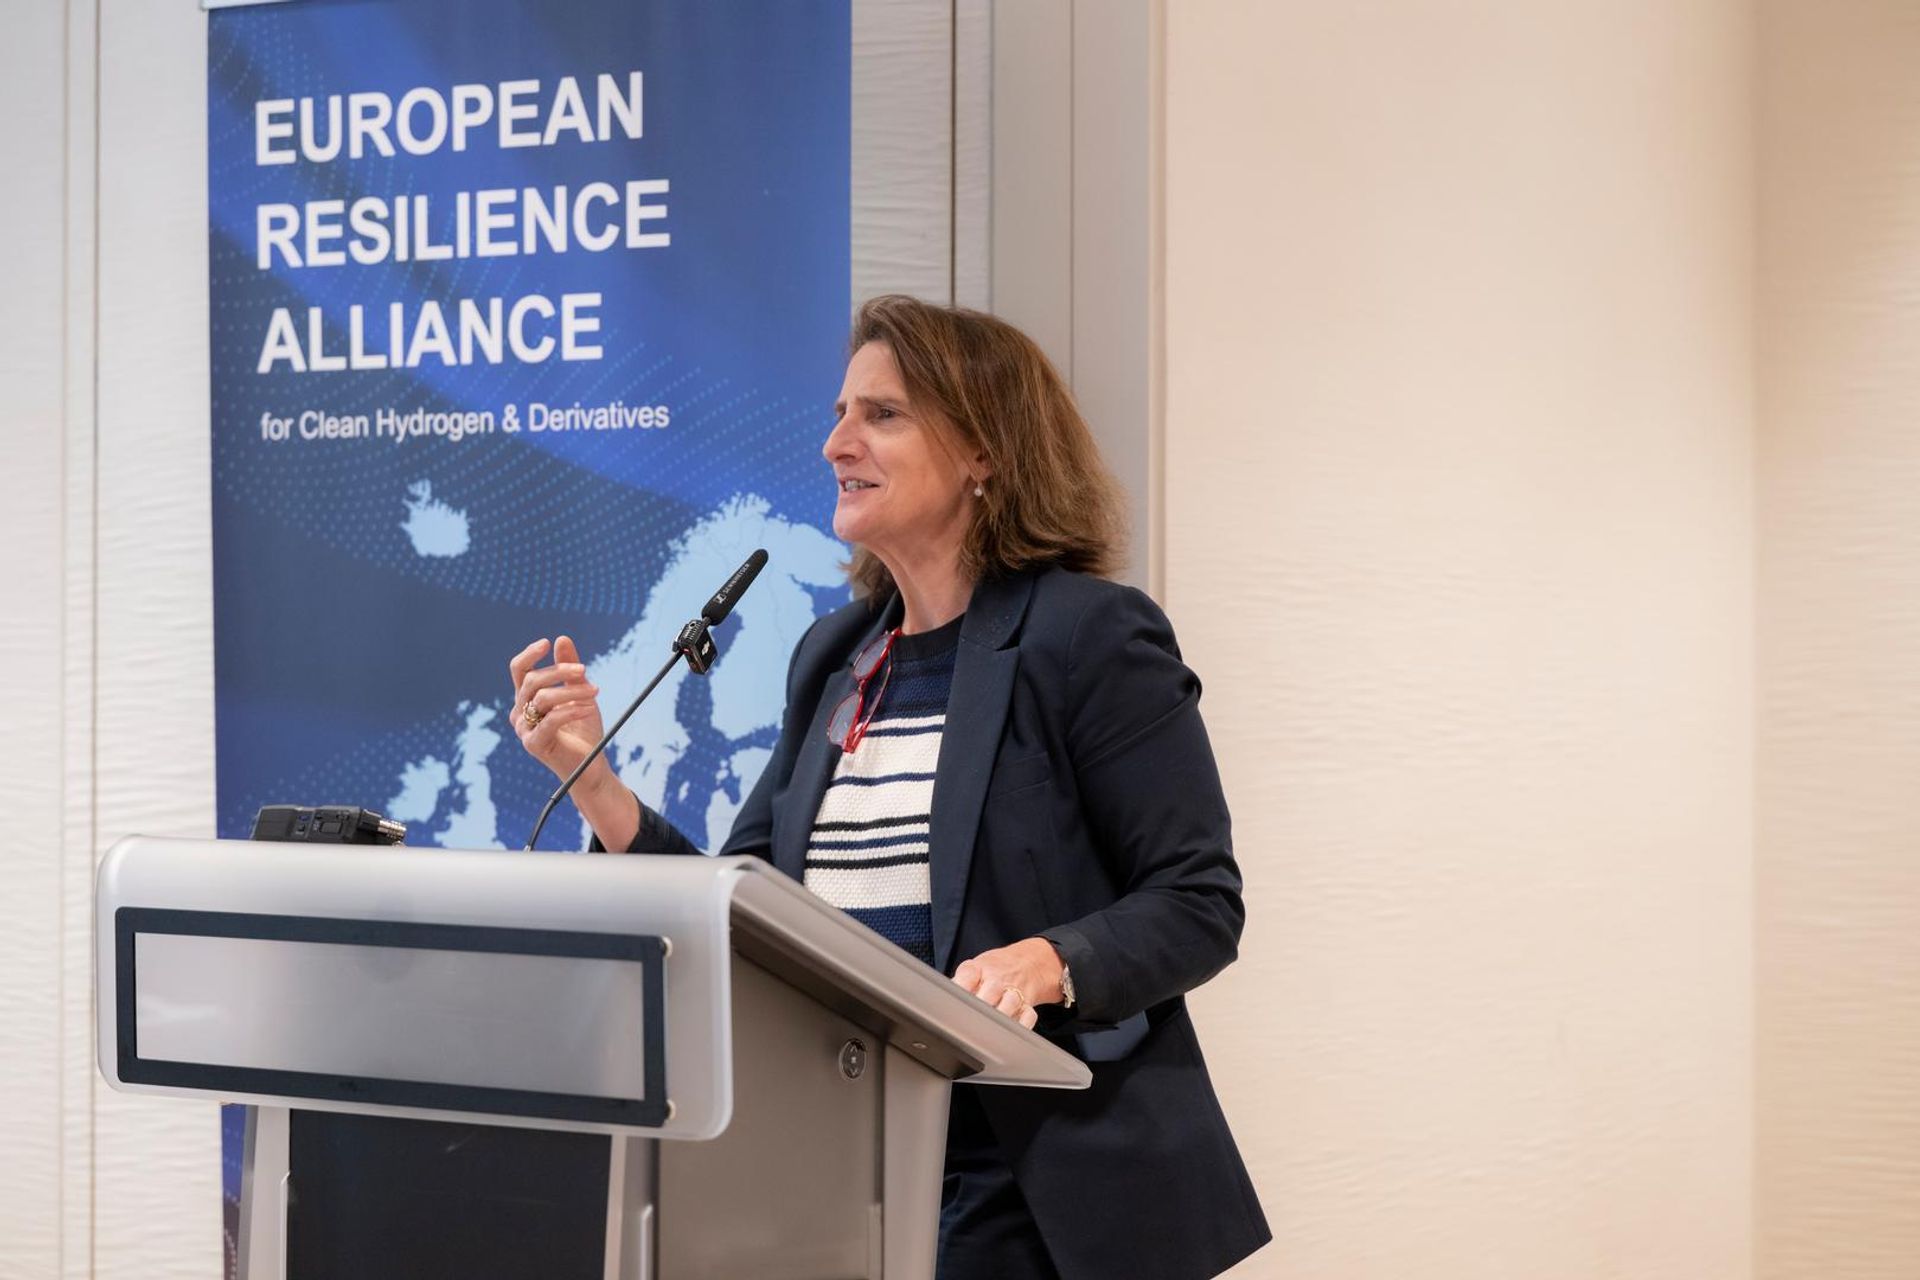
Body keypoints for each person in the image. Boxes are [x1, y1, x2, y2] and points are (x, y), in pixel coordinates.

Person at [507, 295, 1269, 1280]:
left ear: (985, 450)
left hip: (1032, 1183)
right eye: (839, 414)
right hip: (846, 1166)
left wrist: (1049, 960)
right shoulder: (835, 655)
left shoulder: (1086, 635)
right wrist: (596, 783)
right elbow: (743, 912)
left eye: (882, 414)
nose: (836, 443)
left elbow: (1199, 899)